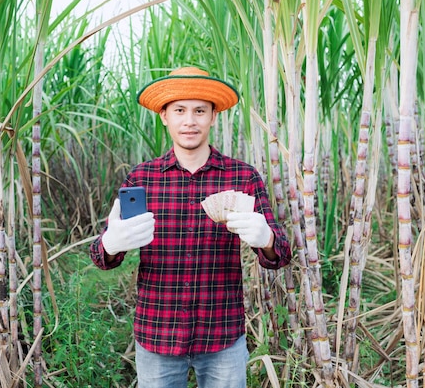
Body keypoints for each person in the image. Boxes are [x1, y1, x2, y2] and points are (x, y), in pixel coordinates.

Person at [90, 66, 291, 388]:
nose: (189, 120)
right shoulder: (143, 178)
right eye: (179, 110)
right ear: (165, 117)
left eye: (200, 111)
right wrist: (111, 244)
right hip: (158, 333)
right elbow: (101, 257)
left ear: (213, 117)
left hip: (222, 332)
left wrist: (266, 238)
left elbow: (279, 254)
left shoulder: (242, 177)